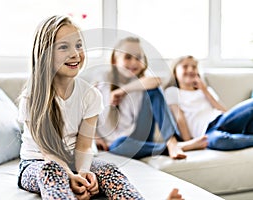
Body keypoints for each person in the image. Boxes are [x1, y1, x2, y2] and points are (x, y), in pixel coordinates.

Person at [17, 15, 183, 200]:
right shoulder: (32, 97)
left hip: (75, 161)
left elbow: (85, 146)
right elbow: (47, 152)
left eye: (78, 45)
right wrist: (70, 177)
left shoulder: (90, 95)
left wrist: (82, 173)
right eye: (64, 47)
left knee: (108, 170)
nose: (75, 53)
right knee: (53, 171)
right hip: (39, 163)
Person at [95, 37, 205, 161]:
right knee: (119, 144)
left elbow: (156, 81)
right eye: (128, 57)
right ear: (115, 60)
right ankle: (169, 147)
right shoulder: (102, 82)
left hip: (141, 134)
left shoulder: (142, 83)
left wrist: (122, 90)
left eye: (138, 58)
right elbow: (85, 115)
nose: (133, 62)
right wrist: (95, 136)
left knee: (154, 91)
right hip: (118, 143)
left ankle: (171, 141)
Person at [165, 55, 253, 151]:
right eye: (185, 67)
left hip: (222, 120)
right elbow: (179, 118)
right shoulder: (172, 92)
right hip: (207, 133)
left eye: (194, 67)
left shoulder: (206, 90)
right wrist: (189, 141)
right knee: (220, 141)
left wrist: (204, 90)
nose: (190, 70)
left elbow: (225, 112)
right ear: (174, 72)